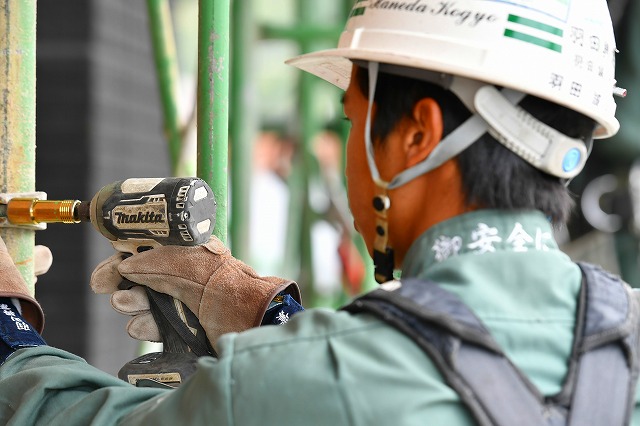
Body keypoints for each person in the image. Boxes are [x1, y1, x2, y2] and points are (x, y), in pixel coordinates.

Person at [0, 0, 638, 424]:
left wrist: (8, 329)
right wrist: (273, 318)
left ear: (418, 134)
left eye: (353, 121)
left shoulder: (309, 385)